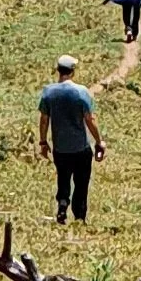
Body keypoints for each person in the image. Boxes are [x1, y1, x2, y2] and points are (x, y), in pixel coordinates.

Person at [36, 54, 105, 226]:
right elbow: (89, 119)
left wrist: (43, 142)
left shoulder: (48, 92)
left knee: (63, 178)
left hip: (60, 148)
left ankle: (62, 204)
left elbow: (44, 120)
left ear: (58, 70)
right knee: (81, 183)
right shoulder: (81, 92)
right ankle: (79, 216)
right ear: (73, 71)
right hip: (80, 147)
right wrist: (99, 141)